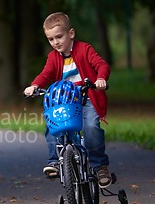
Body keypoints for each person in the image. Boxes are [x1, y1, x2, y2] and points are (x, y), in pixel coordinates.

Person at [23, 12, 112, 188]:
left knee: (91, 127)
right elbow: (46, 74)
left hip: (86, 98)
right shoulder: (53, 57)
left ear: (70, 33)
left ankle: (99, 166)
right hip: (65, 101)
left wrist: (100, 79)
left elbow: (102, 65)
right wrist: (34, 85)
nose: (55, 42)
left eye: (59, 37)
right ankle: (55, 161)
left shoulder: (84, 49)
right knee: (53, 126)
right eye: (50, 39)